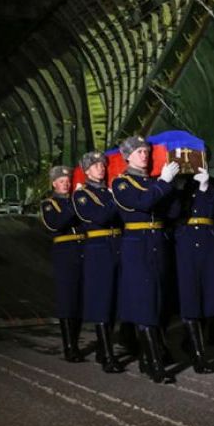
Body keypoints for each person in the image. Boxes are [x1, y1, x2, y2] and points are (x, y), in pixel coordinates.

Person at [111, 136, 179, 383]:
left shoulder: (153, 182)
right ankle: (154, 363)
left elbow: (171, 212)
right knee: (144, 302)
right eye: (139, 151)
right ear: (127, 156)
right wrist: (163, 183)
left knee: (159, 301)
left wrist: (172, 187)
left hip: (157, 243)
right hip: (137, 245)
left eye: (146, 151)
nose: (144, 155)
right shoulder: (121, 183)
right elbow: (141, 203)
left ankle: (147, 358)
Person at [168, 166, 214, 374]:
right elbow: (172, 213)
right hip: (185, 244)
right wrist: (174, 188)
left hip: (208, 244)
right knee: (189, 296)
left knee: (209, 296)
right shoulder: (177, 186)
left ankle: (191, 341)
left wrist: (206, 187)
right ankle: (198, 354)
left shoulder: (213, 185)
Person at [72, 151, 125, 373]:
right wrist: (115, 199)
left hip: (116, 245)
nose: (100, 168)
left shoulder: (108, 191)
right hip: (98, 248)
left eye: (102, 165)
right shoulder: (82, 195)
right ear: (86, 170)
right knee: (102, 300)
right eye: (95, 166)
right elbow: (100, 216)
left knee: (114, 301)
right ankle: (107, 355)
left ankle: (104, 349)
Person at [40, 166, 85, 363]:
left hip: (82, 250)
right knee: (67, 299)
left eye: (67, 180)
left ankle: (76, 342)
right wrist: (74, 204)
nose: (65, 183)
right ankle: (70, 346)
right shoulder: (49, 204)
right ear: (54, 184)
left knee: (81, 300)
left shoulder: (77, 200)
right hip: (64, 253)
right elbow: (55, 224)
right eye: (60, 181)